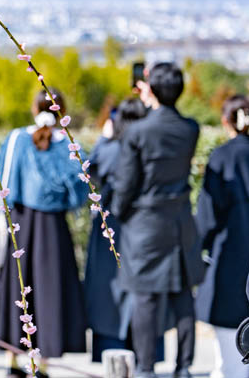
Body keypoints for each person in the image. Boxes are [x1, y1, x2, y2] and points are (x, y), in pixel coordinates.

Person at [111, 62, 204, 378]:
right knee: (182, 295)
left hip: (145, 222)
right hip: (179, 218)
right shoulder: (190, 128)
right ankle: (184, 366)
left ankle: (146, 367)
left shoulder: (137, 131)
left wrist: (119, 212)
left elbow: (126, 183)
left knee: (145, 296)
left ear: (152, 89)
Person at [0, 90, 88, 378]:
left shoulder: (17, 139)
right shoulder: (68, 145)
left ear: (33, 108)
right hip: (54, 229)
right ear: (62, 110)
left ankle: (12, 361)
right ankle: (43, 365)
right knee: (50, 291)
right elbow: (80, 190)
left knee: (16, 288)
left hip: (21, 226)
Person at [84, 99, 169, 362]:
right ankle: (147, 355)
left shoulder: (111, 150)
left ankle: (112, 355)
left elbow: (89, 173)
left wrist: (103, 139)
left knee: (110, 297)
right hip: (146, 226)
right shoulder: (153, 147)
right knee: (145, 292)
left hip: (111, 227)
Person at [195, 95, 249, 378]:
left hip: (232, 269)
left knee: (230, 364)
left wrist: (197, 252)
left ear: (226, 121)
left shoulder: (222, 157)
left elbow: (207, 219)